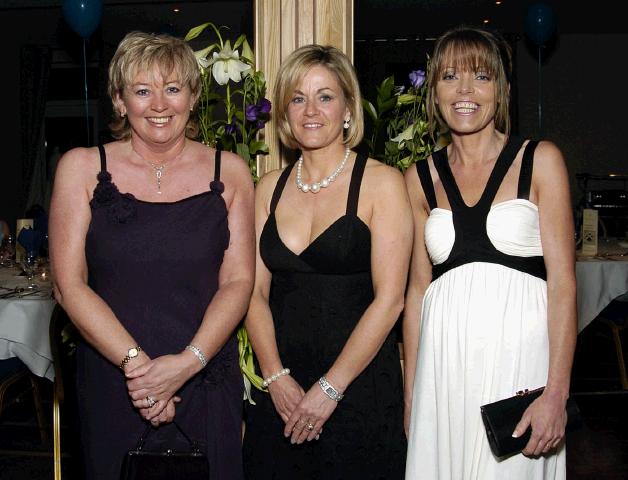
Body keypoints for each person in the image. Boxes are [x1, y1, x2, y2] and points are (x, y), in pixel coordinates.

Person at [48, 31, 255, 480]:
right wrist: (140, 371)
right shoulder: (81, 169)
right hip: (115, 378)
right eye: (143, 91)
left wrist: (186, 364)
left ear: (193, 97)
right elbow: (68, 285)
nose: (159, 104)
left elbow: (239, 282)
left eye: (173, 89)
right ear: (120, 101)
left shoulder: (232, 172)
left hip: (204, 377)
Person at [403, 26, 576, 479]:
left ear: (500, 90)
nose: (465, 91)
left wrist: (556, 392)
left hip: (520, 369)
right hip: (444, 375)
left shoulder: (541, 161)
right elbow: (417, 292)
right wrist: (412, 397)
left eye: (480, 77)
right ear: (433, 93)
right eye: (449, 77)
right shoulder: (418, 179)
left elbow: (562, 285)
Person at [242, 44, 412, 479]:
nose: (310, 110)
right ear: (284, 113)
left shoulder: (382, 183)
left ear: (349, 109)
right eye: (297, 98)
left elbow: (390, 300)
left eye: (325, 96)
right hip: (281, 388)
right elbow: (254, 293)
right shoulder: (268, 187)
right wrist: (275, 376)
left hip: (358, 386)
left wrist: (331, 388)